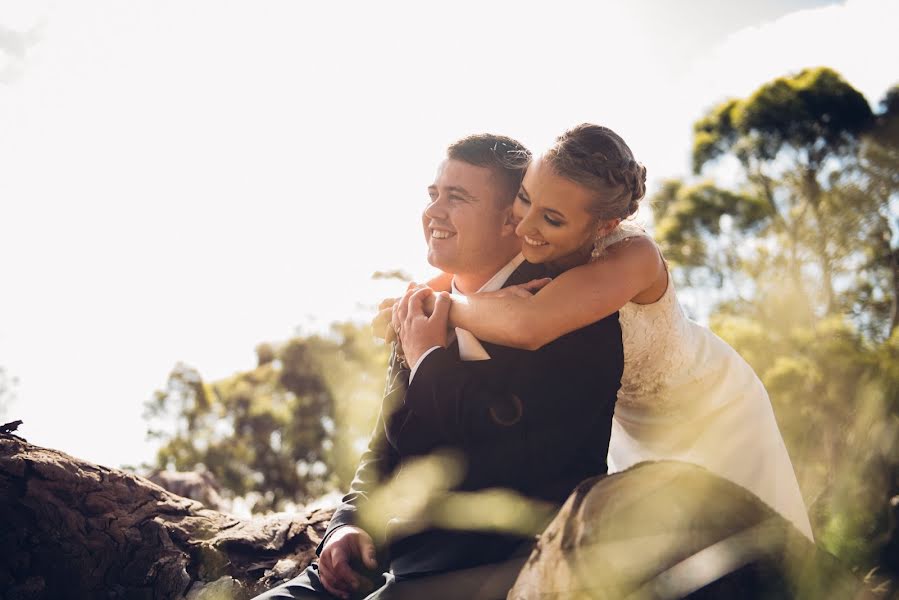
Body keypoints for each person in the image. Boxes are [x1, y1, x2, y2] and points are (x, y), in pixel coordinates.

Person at [251, 134, 624, 600]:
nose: (432, 213)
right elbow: (381, 449)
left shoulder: (568, 319)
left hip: (480, 572)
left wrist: (430, 359)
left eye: (457, 198)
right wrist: (346, 526)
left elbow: (514, 465)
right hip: (376, 565)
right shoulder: (422, 311)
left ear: (515, 219)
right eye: (433, 195)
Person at [408, 123, 815, 541]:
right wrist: (410, 300)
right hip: (630, 424)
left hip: (712, 409)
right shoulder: (538, 241)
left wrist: (431, 313)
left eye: (551, 218)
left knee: (745, 548)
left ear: (605, 225)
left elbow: (526, 325)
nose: (524, 224)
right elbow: (452, 280)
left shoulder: (634, 257)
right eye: (524, 198)